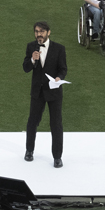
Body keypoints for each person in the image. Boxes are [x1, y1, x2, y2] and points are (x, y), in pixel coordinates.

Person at [23, 21, 67, 168]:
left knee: (56, 124)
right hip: (37, 92)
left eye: (41, 31)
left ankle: (57, 157)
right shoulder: (31, 47)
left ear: (48, 32)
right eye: (36, 31)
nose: (38, 34)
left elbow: (63, 69)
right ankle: (29, 151)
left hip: (53, 92)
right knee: (32, 122)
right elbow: (25, 68)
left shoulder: (59, 49)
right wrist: (32, 59)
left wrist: (59, 78)